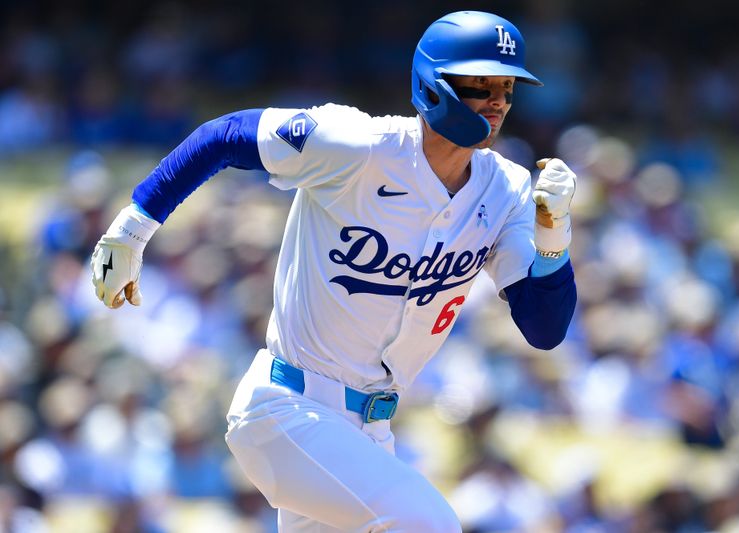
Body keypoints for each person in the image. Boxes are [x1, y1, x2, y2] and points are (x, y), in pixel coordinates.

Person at [91, 10, 577, 532]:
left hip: (369, 431)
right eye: (480, 83)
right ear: (434, 82)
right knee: (429, 523)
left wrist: (555, 238)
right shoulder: (358, 146)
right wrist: (132, 231)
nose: (498, 101)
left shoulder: (505, 190)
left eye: (507, 86)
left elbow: (544, 330)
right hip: (288, 408)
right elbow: (223, 135)